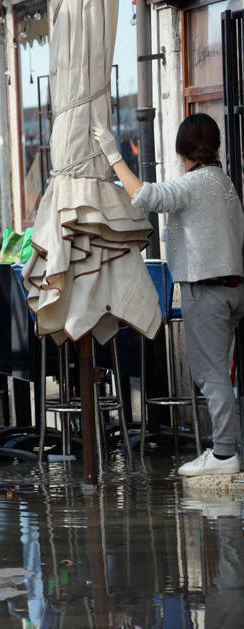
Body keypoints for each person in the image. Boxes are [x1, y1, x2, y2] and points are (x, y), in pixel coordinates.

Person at [106, 113, 244, 476]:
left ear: (182, 150)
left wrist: (114, 155)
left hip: (206, 289)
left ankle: (225, 453)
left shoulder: (195, 184)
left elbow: (145, 196)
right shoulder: (224, 183)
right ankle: (225, 448)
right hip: (232, 287)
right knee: (221, 374)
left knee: (210, 373)